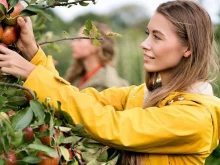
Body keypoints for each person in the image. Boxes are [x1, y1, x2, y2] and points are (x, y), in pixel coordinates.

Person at [0, 1, 220, 164]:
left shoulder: (195, 118)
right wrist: (34, 55)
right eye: (147, 33)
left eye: (157, 36)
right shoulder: (142, 94)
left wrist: (34, 75)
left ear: (188, 48)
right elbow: (81, 100)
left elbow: (111, 126)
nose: (144, 43)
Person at [65, 22, 129, 91]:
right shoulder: (78, 76)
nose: (73, 44)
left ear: (96, 45)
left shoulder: (106, 84)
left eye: (79, 39)